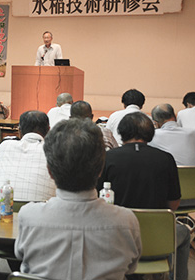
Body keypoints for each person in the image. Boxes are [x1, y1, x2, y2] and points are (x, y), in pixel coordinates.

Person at [15, 118, 141, 280]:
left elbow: (20, 255)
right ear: (101, 169)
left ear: (50, 171)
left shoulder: (29, 216)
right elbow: (131, 269)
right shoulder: (127, 222)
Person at [97, 112, 190, 280]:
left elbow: (97, 200)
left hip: (118, 242)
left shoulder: (107, 158)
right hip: (158, 244)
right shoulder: (166, 159)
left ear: (122, 132)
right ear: (150, 132)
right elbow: (174, 202)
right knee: (183, 231)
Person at [0, 110, 55, 201]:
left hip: (4, 210)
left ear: (19, 131)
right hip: (39, 212)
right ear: (48, 130)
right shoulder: (54, 151)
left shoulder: (5, 146)